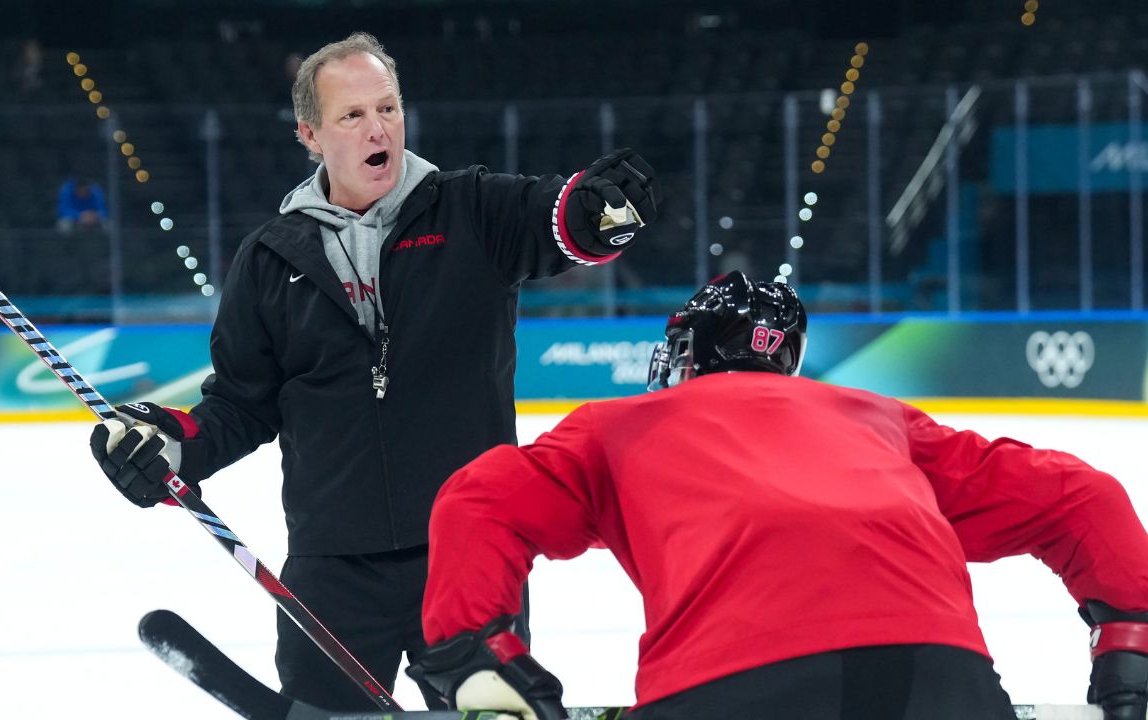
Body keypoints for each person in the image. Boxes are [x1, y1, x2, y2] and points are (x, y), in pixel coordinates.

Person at [88, 31, 660, 712]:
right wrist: (172, 444)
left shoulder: (471, 210)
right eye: (352, 115)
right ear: (310, 134)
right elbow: (241, 403)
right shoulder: (270, 259)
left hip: (467, 551)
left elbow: (557, 219)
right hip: (332, 568)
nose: (377, 127)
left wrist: (598, 211)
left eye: (387, 108)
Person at [406, 271, 1148, 720]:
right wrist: (1130, 642)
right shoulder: (877, 419)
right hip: (939, 676)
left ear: (683, 355)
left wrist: (478, 655)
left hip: (734, 681)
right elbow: (1082, 497)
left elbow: (481, 501)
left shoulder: (622, 424)